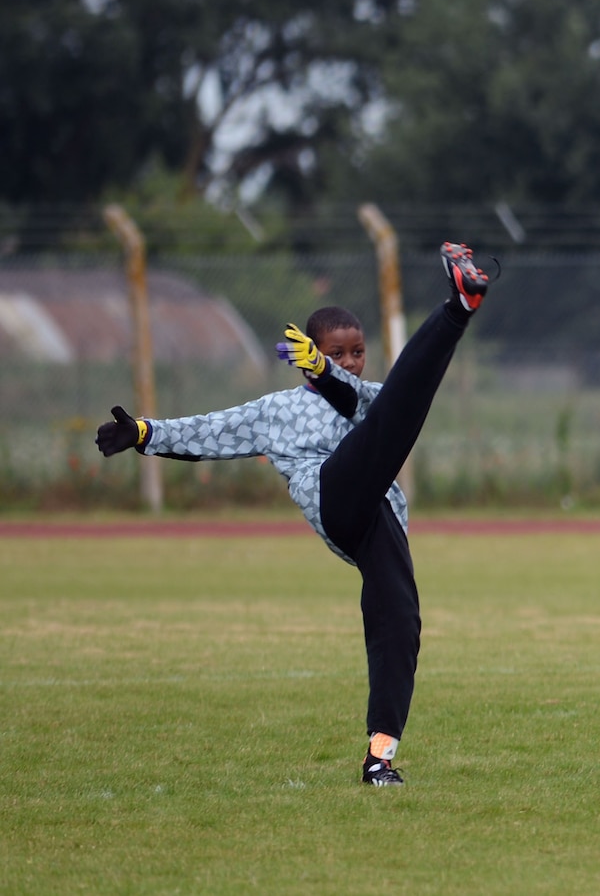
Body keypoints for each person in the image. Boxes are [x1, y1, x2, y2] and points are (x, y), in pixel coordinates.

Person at [94, 243, 493, 786]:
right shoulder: (279, 409)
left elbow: (386, 403)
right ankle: (457, 308)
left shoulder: (370, 396)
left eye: (357, 352)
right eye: (337, 352)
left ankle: (380, 758)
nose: (350, 361)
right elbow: (211, 432)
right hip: (334, 497)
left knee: (400, 621)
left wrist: (330, 374)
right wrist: (144, 433)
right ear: (311, 351)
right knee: (383, 431)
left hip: (378, 519)